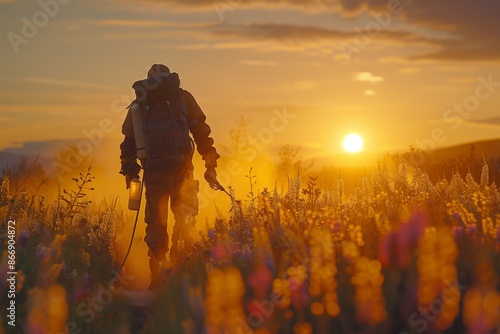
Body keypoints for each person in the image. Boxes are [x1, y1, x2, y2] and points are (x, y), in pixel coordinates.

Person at [119, 64, 221, 288]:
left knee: (156, 223)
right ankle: (180, 273)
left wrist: (129, 169)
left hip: (154, 174)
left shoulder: (140, 105)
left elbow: (128, 142)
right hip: (182, 170)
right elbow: (201, 130)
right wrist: (210, 163)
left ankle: (157, 277)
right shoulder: (183, 98)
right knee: (185, 220)